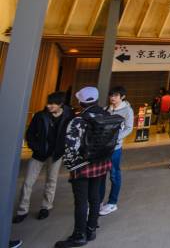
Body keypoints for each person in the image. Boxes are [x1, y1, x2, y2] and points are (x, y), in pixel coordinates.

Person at [56, 87, 114, 247]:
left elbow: (70, 146)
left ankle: (79, 235)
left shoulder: (79, 120)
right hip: (102, 163)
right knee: (95, 198)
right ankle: (91, 229)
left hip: (82, 166)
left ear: (81, 102)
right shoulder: (107, 116)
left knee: (81, 201)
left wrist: (70, 165)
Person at [13, 92, 72, 224]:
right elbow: (30, 134)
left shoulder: (68, 116)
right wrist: (35, 147)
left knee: (51, 181)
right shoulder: (40, 116)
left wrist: (63, 149)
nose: (48, 106)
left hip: (56, 154)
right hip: (39, 154)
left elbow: (70, 134)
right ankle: (22, 210)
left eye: (52, 104)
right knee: (28, 182)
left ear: (60, 104)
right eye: (48, 103)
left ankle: (46, 207)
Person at [98, 86, 134, 216]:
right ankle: (99, 202)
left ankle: (112, 203)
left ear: (122, 97)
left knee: (114, 175)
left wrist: (115, 139)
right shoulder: (106, 109)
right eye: (111, 95)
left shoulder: (127, 111)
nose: (112, 98)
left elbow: (129, 128)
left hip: (115, 148)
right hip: (103, 148)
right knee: (101, 175)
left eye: (116, 95)